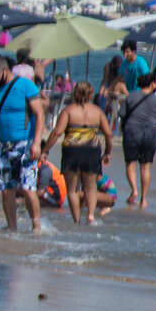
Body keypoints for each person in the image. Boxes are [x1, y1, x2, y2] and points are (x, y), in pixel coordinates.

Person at [0, 52, 48, 233]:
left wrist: (37, 143)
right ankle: (12, 227)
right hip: (3, 146)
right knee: (6, 189)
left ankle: (36, 225)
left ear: (4, 70)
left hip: (25, 144)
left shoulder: (25, 86)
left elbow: (39, 115)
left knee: (28, 188)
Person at [43, 81, 112, 225]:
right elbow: (108, 134)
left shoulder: (68, 111)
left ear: (75, 93)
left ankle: (76, 220)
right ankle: (91, 216)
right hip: (92, 151)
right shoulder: (98, 112)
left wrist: (46, 150)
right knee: (91, 187)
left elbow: (57, 132)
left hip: (72, 151)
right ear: (90, 94)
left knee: (73, 189)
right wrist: (107, 152)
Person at [119, 68, 156, 209]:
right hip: (149, 135)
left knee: (130, 164)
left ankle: (134, 190)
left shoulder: (130, 97)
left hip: (131, 133)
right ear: (153, 84)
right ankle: (144, 199)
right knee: (145, 167)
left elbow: (121, 114)